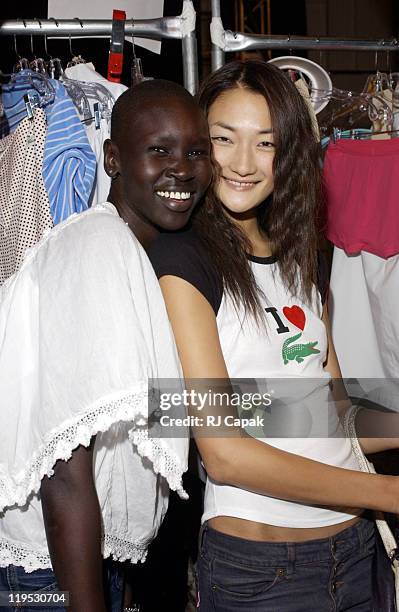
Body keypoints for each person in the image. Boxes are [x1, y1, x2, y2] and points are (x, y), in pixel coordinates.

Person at [148, 60, 399, 611]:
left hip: (358, 553)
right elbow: (225, 454)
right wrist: (389, 492)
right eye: (223, 140)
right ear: (197, 143)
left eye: (264, 144)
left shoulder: (303, 252)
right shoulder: (181, 260)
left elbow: (330, 413)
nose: (242, 164)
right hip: (262, 575)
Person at [0, 79, 212, 612]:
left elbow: (162, 403)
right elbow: (64, 472)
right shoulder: (99, 247)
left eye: (195, 151)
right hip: (50, 571)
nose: (182, 169)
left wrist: (341, 414)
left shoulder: (127, 250)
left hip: (73, 564)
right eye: (158, 150)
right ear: (112, 158)